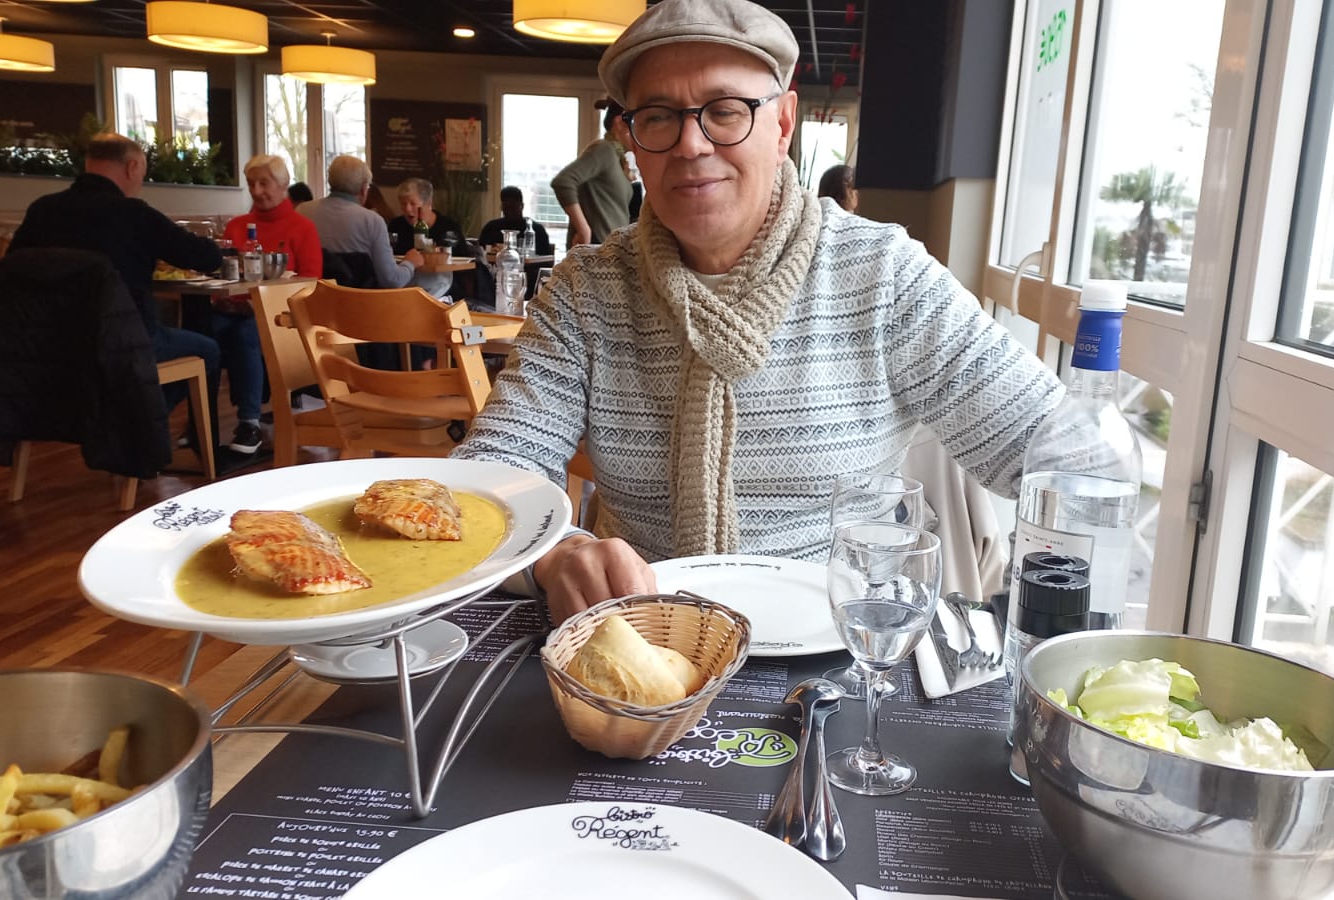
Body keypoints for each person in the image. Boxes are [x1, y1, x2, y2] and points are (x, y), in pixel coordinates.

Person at [452, 0, 1067, 623]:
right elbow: (490, 477)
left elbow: (1061, 456)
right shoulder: (587, 290)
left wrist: (1044, 625)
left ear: (783, 124)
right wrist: (558, 554)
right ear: (633, 140)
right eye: (658, 116)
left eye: (725, 110)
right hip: (646, 642)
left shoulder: (883, 274)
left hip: (847, 647)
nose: (691, 144)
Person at [8, 132, 223, 440]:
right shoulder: (134, 214)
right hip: (126, 342)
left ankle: (124, 429)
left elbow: (13, 267)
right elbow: (206, 258)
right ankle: (137, 432)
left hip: (49, 345)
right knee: (208, 351)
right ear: (133, 167)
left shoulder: (42, 210)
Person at [218, 154, 324, 454]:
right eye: (251, 183)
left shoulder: (302, 228)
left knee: (246, 333)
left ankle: (249, 422)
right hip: (236, 309)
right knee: (201, 332)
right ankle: (199, 424)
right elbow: (222, 275)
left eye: (264, 183)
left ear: (282, 185)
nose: (256, 191)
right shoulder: (237, 226)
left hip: (283, 316)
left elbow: (311, 283)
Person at [297, 155, 423, 289]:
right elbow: (392, 280)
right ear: (363, 189)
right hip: (361, 300)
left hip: (312, 296)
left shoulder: (302, 211)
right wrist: (410, 263)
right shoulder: (372, 221)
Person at [551, 98, 633, 246]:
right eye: (636, 124)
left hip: (611, 249)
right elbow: (563, 182)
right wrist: (583, 230)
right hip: (597, 249)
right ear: (620, 122)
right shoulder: (604, 149)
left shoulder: (618, 159)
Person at [388, 177, 469, 302]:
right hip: (405, 289)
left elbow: (464, 261)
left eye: (413, 203)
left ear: (428, 203)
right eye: (403, 204)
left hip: (445, 289)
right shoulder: (396, 226)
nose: (408, 209)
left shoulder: (448, 227)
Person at [478, 186, 553, 255]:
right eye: (506, 208)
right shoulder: (491, 228)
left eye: (513, 207)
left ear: (522, 206)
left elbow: (547, 259)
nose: (509, 211)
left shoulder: (535, 230)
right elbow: (480, 254)